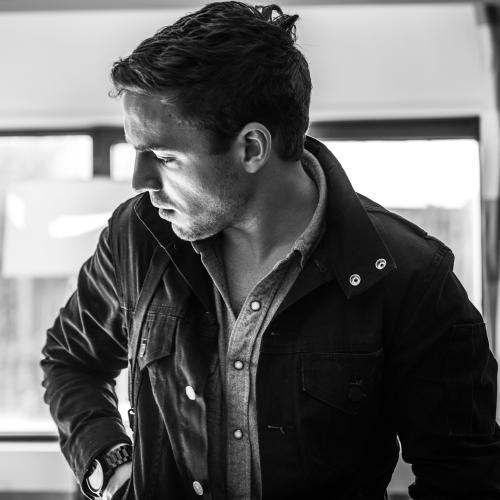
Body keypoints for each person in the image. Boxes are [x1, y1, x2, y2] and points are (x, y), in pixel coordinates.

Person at [41, 2, 500, 499]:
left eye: (165, 157)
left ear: (252, 148)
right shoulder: (137, 235)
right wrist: (110, 466)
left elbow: (465, 476)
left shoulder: (412, 277)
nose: (139, 181)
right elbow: (70, 361)